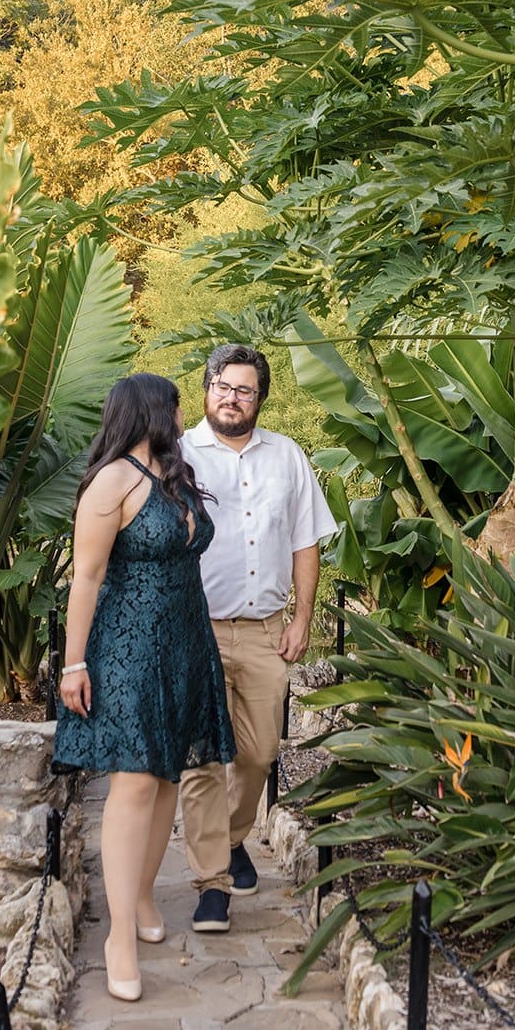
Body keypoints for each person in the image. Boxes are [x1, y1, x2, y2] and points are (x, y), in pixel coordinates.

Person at [54, 373, 235, 1000]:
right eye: (178, 403)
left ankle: (141, 898)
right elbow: (86, 578)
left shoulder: (172, 476)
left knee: (166, 778)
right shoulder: (113, 482)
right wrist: (73, 665)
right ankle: (119, 934)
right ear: (152, 410)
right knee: (133, 781)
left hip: (185, 643)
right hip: (128, 647)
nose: (186, 412)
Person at [179, 345, 336, 931]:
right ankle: (210, 883)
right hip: (196, 631)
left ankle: (232, 836)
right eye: (222, 385)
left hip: (268, 632)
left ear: (260, 398)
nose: (231, 396)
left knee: (259, 752)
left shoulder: (287, 457)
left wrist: (302, 618)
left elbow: (305, 541)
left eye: (244, 389)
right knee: (200, 759)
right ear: (206, 390)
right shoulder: (179, 457)